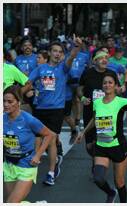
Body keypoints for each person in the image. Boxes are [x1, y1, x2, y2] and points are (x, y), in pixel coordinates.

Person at [75, 72, 127, 203]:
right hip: (101, 146)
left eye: (110, 83)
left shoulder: (121, 102)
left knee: (119, 182)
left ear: (115, 86)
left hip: (118, 146)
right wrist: (83, 132)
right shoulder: (97, 102)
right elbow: (95, 119)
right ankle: (110, 192)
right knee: (98, 178)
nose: (107, 85)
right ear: (102, 86)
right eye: (105, 83)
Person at [28, 36, 83, 186]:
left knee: (51, 140)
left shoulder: (63, 69)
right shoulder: (40, 69)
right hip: (40, 108)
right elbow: (28, 83)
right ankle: (39, 163)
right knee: (37, 139)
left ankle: (51, 173)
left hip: (56, 110)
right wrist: (24, 92)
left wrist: (76, 47)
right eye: (55, 51)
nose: (57, 54)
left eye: (60, 52)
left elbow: (71, 57)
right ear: (49, 53)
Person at [3, 85, 55, 203]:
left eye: (10, 101)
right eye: (4, 101)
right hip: (9, 165)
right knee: (12, 202)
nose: (6, 104)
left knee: (11, 203)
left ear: (18, 102)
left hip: (26, 165)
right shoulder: (2, 119)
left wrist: (38, 155)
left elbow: (49, 135)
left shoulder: (28, 119)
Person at [77, 49, 118, 174]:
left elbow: (118, 90)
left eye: (106, 57)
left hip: (106, 114)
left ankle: (99, 166)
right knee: (90, 146)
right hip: (90, 112)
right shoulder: (87, 73)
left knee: (101, 142)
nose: (104, 60)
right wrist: (82, 98)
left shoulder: (111, 73)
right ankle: (97, 161)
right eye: (101, 58)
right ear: (95, 61)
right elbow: (79, 89)